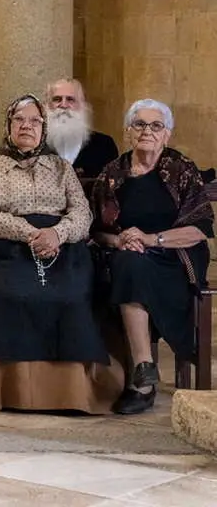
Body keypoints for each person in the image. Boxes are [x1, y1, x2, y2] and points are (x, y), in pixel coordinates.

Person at [0, 94, 119, 415]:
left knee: (71, 296)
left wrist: (57, 233)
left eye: (34, 121)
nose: (26, 126)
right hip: (5, 245)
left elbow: (82, 215)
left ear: (44, 128)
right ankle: (5, 393)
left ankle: (71, 395)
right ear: (8, 125)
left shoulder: (61, 168)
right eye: (19, 120)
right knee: (11, 295)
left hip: (62, 246)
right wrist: (29, 233)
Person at [92, 99, 213, 415]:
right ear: (128, 131)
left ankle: (142, 382)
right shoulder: (112, 173)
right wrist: (119, 240)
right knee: (128, 263)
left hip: (177, 258)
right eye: (140, 124)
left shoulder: (181, 170)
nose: (147, 131)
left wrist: (150, 239)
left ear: (167, 134)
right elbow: (96, 231)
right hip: (127, 257)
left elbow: (200, 229)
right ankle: (144, 368)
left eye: (156, 125)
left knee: (133, 267)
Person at [45, 78, 120, 179]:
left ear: (82, 105)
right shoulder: (36, 147)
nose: (63, 105)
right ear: (47, 105)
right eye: (57, 99)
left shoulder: (104, 145)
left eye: (70, 99)